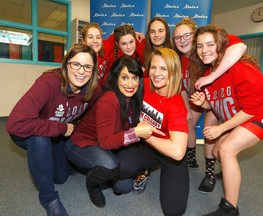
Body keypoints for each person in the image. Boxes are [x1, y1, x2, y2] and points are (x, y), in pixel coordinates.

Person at [190, 25, 263, 216]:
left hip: (262, 115)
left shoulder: (242, 68)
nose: (204, 50)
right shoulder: (208, 76)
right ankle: (228, 169)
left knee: (226, 150)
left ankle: (229, 209)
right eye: (199, 46)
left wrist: (220, 129)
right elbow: (219, 104)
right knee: (217, 152)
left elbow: (250, 110)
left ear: (222, 46)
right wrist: (205, 104)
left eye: (210, 44)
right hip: (241, 117)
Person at [6, 43, 101, 216]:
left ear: (93, 70)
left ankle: (45, 159)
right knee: (39, 139)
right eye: (76, 64)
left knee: (61, 177)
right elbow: (14, 123)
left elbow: (93, 112)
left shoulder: (93, 90)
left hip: (55, 132)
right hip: (27, 132)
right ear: (66, 64)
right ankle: (48, 198)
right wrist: (62, 127)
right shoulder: (49, 82)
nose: (81, 71)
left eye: (87, 67)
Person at [65, 55, 164, 208]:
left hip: (110, 143)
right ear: (116, 78)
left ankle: (98, 167)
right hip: (82, 143)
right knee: (110, 165)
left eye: (134, 78)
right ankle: (92, 185)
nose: (130, 84)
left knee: (123, 188)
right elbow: (105, 142)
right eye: (124, 78)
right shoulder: (109, 99)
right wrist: (136, 133)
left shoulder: (133, 98)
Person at [173, 17, 247, 193]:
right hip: (202, 98)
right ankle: (192, 158)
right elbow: (182, 87)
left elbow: (240, 47)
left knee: (210, 131)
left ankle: (210, 174)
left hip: (220, 95)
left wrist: (211, 77)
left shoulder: (208, 48)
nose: (182, 40)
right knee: (188, 122)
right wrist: (187, 109)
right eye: (177, 37)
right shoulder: (179, 59)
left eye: (186, 35)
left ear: (195, 35)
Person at [117, 48, 189, 216]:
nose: (157, 73)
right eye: (154, 67)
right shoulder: (144, 84)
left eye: (164, 69)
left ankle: (165, 172)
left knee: (174, 211)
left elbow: (178, 152)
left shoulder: (176, 103)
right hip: (144, 147)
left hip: (168, 152)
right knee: (122, 166)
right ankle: (144, 170)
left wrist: (146, 134)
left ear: (173, 71)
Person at [133, 16, 174, 194]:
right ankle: (145, 167)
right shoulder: (142, 47)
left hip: (169, 99)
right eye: (152, 31)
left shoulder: (175, 51)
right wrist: (133, 33)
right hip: (148, 98)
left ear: (167, 32)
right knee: (145, 132)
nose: (156, 35)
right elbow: (121, 41)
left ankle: (166, 161)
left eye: (160, 30)